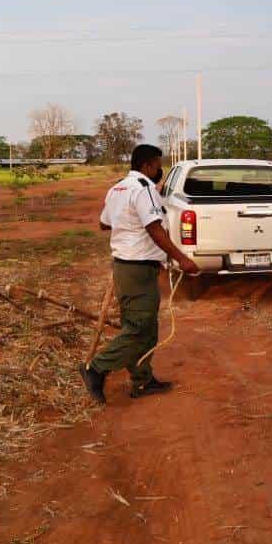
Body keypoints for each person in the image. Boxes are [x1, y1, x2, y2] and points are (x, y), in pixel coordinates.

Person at [80, 144, 199, 404]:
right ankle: (96, 368)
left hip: (125, 267)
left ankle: (143, 380)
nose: (159, 170)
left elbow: (104, 223)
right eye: (157, 165)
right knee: (138, 328)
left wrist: (126, 222)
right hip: (137, 268)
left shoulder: (117, 189)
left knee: (145, 328)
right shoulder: (144, 190)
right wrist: (182, 259)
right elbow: (155, 230)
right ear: (146, 165)